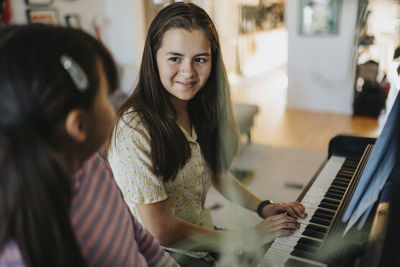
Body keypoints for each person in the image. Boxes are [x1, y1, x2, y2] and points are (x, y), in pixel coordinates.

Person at [107, 2, 307, 265]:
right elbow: (161, 230)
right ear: (153, 58)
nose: (188, 72)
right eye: (175, 58)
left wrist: (263, 207)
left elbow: (215, 174)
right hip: (161, 256)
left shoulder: (198, 108)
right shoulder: (134, 130)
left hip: (202, 240)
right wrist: (244, 239)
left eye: (200, 59)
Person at [0, 24, 178, 267]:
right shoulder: (21, 252)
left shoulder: (93, 166)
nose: (115, 105)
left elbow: (137, 236)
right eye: (106, 96)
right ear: (79, 125)